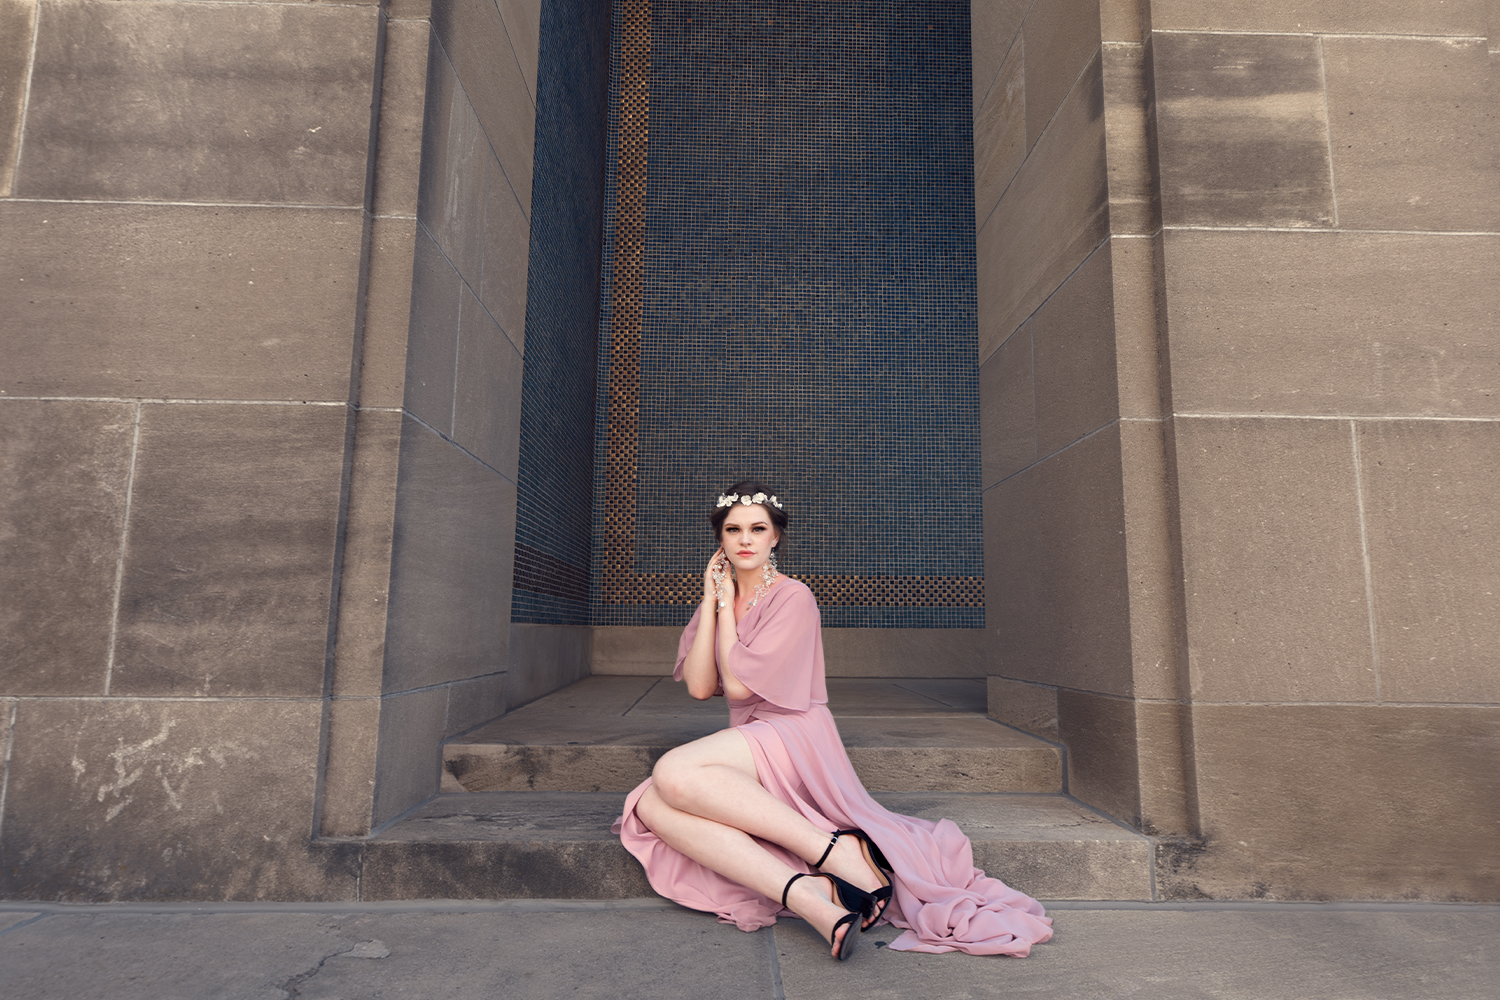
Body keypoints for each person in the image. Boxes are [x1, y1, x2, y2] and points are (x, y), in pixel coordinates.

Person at [612, 480, 1053, 961]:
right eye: (733, 530)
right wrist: (713, 598)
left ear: (775, 537)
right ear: (720, 538)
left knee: (672, 771)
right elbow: (700, 687)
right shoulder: (719, 600)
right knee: (648, 806)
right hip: (751, 737)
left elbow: (736, 688)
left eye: (757, 529)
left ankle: (839, 852)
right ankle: (807, 895)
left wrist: (723, 610)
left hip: (794, 733)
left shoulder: (792, 597)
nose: (745, 540)